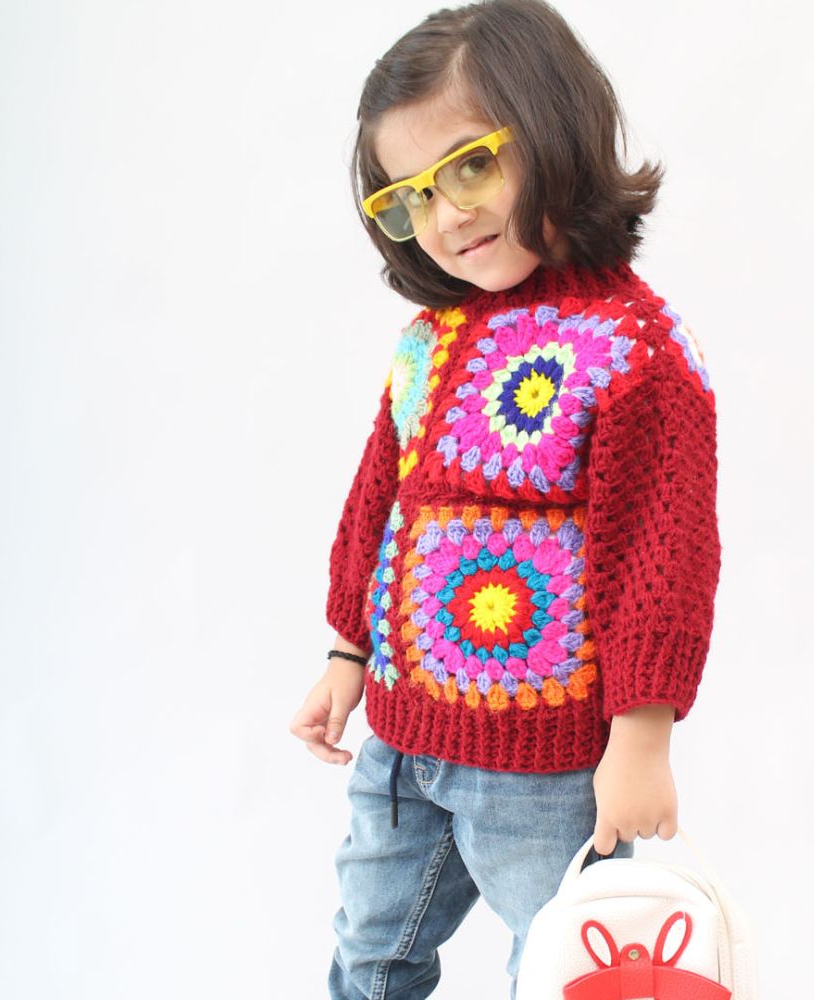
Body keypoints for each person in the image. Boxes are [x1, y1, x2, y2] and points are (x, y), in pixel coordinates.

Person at [287, 2, 722, 997]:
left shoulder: (630, 351)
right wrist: (346, 648)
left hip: (544, 764)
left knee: (559, 962)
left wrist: (640, 736)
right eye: (407, 198)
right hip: (399, 749)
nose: (445, 215)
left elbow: (662, 550)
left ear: (552, 124)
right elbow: (380, 500)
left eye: (469, 166)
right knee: (368, 953)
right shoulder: (431, 340)